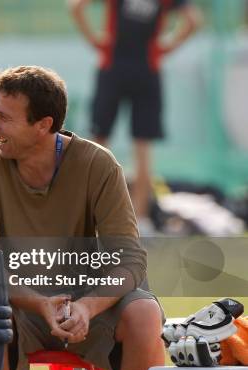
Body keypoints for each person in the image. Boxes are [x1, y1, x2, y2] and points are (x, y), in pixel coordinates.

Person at [0, 66, 165, 370]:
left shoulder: (99, 164)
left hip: (87, 306)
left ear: (43, 126)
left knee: (144, 314)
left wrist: (87, 307)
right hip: (17, 308)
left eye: (3, 117)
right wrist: (40, 304)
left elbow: (130, 260)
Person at [69, 0, 202, 234]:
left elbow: (76, 7)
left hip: (114, 68)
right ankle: (141, 222)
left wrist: (95, 40)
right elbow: (193, 21)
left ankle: (94, 219)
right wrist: (167, 46)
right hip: (146, 70)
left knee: (99, 145)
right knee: (142, 148)